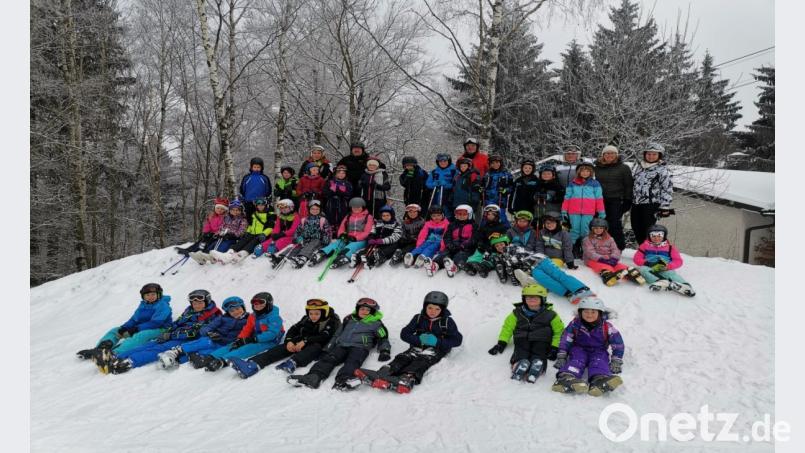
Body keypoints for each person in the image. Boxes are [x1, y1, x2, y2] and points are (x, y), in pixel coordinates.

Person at [354, 291, 462, 393]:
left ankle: (407, 378)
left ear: (442, 310)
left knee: (422, 360)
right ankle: (384, 372)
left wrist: (436, 342)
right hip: (417, 346)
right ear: (425, 307)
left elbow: (457, 340)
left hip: (435, 350)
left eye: (437, 309)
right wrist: (418, 339)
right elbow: (404, 334)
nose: (432, 311)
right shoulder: (418, 318)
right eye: (430, 308)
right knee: (403, 357)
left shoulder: (447, 322)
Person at [94, 289, 221, 374]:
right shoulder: (189, 311)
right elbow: (177, 323)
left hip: (185, 339)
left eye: (199, 302)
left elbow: (195, 332)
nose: (196, 304)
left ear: (206, 302)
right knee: (149, 344)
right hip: (173, 335)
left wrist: (170, 335)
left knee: (157, 349)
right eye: (194, 302)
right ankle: (116, 356)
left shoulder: (212, 315)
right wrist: (167, 332)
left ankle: (129, 362)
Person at [287, 297, 391, 390]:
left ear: (372, 312)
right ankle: (313, 377)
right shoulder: (348, 319)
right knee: (328, 359)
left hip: (360, 347)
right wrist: (327, 349)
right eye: (362, 309)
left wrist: (385, 350)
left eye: (368, 310)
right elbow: (336, 335)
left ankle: (344, 380)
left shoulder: (376, 324)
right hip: (342, 345)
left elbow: (383, 338)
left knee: (352, 362)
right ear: (358, 309)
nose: (364, 311)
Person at [229, 299, 341, 379]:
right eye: (311, 313)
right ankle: (253, 365)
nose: (313, 316)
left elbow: (324, 336)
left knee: (314, 347)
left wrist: (305, 341)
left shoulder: (331, 321)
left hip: (318, 345)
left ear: (324, 312)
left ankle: (293, 363)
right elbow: (294, 328)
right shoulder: (306, 319)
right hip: (301, 341)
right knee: (280, 349)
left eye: (317, 313)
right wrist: (289, 341)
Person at [488, 284, 564, 383]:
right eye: (528, 297)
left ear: (543, 299)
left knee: (540, 351)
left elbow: (559, 331)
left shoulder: (551, 315)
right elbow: (507, 327)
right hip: (522, 338)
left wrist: (555, 347)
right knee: (521, 351)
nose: (532, 299)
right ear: (524, 299)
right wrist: (501, 342)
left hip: (542, 339)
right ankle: (519, 365)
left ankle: (537, 366)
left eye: (535, 297)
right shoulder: (517, 313)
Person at [76, 283, 172, 360]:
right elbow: (134, 319)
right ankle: (101, 349)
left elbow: (156, 323)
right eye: (147, 295)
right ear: (143, 296)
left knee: (141, 335)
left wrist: (136, 329)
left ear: (159, 294)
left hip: (161, 329)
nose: (150, 297)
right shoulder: (143, 305)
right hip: (142, 327)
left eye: (153, 294)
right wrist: (124, 328)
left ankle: (114, 353)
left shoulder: (162, 305)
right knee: (115, 330)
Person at [552, 296, 625, 396]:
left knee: (599, 361)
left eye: (593, 312)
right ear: (580, 312)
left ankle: (599, 380)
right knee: (576, 360)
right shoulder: (575, 324)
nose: (589, 315)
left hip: (598, 350)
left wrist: (616, 360)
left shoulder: (607, 327)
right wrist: (562, 355)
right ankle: (566, 378)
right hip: (579, 348)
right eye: (586, 312)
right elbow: (566, 339)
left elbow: (618, 343)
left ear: (600, 313)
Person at [196, 292, 284, 372]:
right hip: (256, 337)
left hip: (271, 340)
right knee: (233, 345)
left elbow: (272, 334)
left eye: (261, 302)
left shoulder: (274, 317)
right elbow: (247, 329)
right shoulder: (253, 316)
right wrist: (240, 340)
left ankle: (223, 361)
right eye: (254, 302)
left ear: (269, 303)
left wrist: (253, 339)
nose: (257, 305)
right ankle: (211, 357)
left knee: (248, 348)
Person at [155, 296, 250, 369]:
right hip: (212, 338)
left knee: (207, 352)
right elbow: (207, 327)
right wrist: (210, 333)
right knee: (204, 342)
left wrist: (229, 340)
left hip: (225, 343)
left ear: (243, 307)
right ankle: (175, 352)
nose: (236, 312)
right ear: (228, 312)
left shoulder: (248, 320)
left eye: (238, 309)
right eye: (232, 311)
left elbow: (245, 335)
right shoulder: (223, 318)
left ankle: (179, 360)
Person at [308, 197, 374, 268]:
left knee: (352, 246)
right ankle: (322, 253)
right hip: (348, 238)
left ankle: (343, 257)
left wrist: (355, 238)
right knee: (337, 244)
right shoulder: (348, 216)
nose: (356, 208)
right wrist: (341, 235)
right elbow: (342, 227)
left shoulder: (368, 217)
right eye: (354, 207)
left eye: (358, 207)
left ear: (363, 207)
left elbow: (367, 231)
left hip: (360, 240)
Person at [632, 224, 695, 296]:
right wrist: (646, 262)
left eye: (659, 236)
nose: (656, 238)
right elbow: (636, 258)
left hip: (664, 266)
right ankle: (660, 282)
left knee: (670, 274)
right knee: (643, 270)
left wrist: (669, 266)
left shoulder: (670, 247)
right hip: (649, 265)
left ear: (664, 236)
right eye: (653, 236)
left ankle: (685, 286)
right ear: (649, 236)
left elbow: (678, 260)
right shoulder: (644, 246)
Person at [631, 142, 674, 244]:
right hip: (636, 203)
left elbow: (667, 188)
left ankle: (651, 252)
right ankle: (643, 249)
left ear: (659, 155)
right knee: (636, 227)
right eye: (649, 154)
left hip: (651, 205)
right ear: (645, 154)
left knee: (649, 229)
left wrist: (665, 206)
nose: (651, 156)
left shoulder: (663, 170)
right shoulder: (639, 167)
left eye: (654, 154)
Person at [212, 197, 275, 264]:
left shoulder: (270, 215)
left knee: (253, 242)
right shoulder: (254, 214)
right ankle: (230, 253)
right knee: (242, 241)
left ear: (266, 205)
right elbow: (251, 225)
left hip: (261, 235)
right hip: (252, 233)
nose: (260, 206)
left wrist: (264, 234)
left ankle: (242, 254)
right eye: (258, 204)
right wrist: (248, 231)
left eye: (262, 204)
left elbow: (271, 227)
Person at [582, 218, 644, 287]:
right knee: (604, 266)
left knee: (619, 265)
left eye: (600, 228)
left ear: (605, 229)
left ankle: (629, 274)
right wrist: (601, 259)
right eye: (596, 228)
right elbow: (590, 252)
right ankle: (608, 275)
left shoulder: (610, 239)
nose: (598, 230)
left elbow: (615, 249)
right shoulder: (587, 239)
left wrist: (614, 259)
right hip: (593, 260)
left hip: (609, 258)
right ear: (591, 229)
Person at [561, 161, 605, 256]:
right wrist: (564, 210)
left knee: (586, 231)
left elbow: (599, 198)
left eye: (587, 171)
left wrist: (601, 211)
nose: (585, 173)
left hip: (588, 212)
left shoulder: (595, 183)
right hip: (573, 211)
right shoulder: (572, 183)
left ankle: (586, 250)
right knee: (574, 230)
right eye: (583, 171)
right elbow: (567, 197)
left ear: (591, 172)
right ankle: (571, 250)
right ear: (579, 172)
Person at [594, 145, 633, 250]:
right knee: (599, 224)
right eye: (607, 153)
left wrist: (628, 200)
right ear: (603, 155)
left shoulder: (623, 168)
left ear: (616, 155)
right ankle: (599, 246)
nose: (609, 155)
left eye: (612, 153)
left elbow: (629, 185)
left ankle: (618, 247)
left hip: (616, 200)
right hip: (599, 201)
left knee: (614, 224)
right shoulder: (596, 168)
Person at [190, 199, 248, 264]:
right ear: (230, 210)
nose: (235, 212)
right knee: (213, 244)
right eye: (233, 210)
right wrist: (218, 233)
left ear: (241, 211)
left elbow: (241, 231)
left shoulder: (242, 220)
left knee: (222, 246)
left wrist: (232, 235)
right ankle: (203, 257)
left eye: (237, 210)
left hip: (232, 239)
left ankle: (213, 257)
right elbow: (222, 227)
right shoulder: (227, 218)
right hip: (223, 236)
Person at [428, 204, 476, 277]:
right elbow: (447, 236)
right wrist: (449, 244)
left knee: (459, 256)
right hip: (454, 245)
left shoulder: (473, 225)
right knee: (444, 254)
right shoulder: (452, 225)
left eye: (464, 214)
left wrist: (464, 245)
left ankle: (454, 267)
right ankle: (435, 265)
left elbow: (474, 238)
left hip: (465, 247)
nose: (461, 216)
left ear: (469, 215)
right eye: (459, 214)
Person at [464, 204, 509, 275]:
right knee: (477, 255)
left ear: (497, 215)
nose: (490, 216)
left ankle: (484, 268)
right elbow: (479, 237)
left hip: (495, 249)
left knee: (490, 259)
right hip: (484, 247)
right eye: (488, 214)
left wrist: (495, 247)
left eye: (492, 214)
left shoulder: (502, 227)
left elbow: (505, 240)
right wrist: (480, 243)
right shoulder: (483, 227)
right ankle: (471, 266)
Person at [286, 200, 332, 268]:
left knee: (311, 244)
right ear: (309, 209)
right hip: (306, 239)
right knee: (298, 245)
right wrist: (296, 238)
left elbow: (327, 232)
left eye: (317, 209)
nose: (314, 210)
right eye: (312, 209)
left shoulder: (322, 220)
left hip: (318, 241)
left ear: (320, 210)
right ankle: (284, 256)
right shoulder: (304, 220)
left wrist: (325, 240)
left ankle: (302, 258)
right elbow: (298, 230)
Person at [255, 199, 300, 265]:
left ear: (291, 207)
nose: (283, 209)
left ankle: (274, 247)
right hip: (281, 234)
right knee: (272, 239)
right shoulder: (280, 216)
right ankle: (262, 246)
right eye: (281, 208)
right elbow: (277, 227)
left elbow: (293, 230)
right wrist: (274, 234)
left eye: (285, 207)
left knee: (281, 240)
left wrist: (283, 234)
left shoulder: (295, 216)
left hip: (290, 236)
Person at [404, 205, 449, 269]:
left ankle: (423, 257)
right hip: (429, 240)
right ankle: (412, 255)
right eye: (434, 216)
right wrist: (419, 244)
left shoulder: (446, 224)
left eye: (438, 215)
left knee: (431, 248)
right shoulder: (428, 223)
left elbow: (445, 235)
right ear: (431, 216)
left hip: (438, 242)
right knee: (422, 246)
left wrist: (442, 247)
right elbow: (423, 234)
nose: (436, 217)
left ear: (443, 215)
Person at [322, 164, 353, 238]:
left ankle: (341, 231)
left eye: (343, 173)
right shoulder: (330, 182)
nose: (341, 174)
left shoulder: (347, 183)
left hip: (342, 203)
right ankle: (330, 232)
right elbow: (325, 193)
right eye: (339, 173)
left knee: (342, 217)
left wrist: (339, 192)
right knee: (331, 216)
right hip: (331, 202)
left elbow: (349, 194)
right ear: (335, 173)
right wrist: (332, 192)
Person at [239, 157, 272, 223]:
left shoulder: (264, 178)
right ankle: (250, 232)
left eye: (258, 167)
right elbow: (242, 189)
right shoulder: (247, 177)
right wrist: (242, 200)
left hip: (261, 203)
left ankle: (259, 232)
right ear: (251, 167)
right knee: (249, 219)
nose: (256, 169)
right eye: (255, 167)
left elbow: (268, 190)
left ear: (261, 168)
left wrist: (268, 199)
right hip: (248, 202)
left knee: (260, 219)